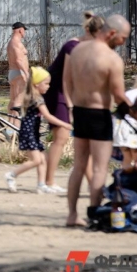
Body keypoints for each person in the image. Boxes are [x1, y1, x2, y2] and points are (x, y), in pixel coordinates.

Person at [64, 14, 131, 227]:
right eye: (123, 38)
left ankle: (72, 215)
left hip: (80, 112)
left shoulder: (77, 50)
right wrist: (134, 109)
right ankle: (93, 213)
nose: (123, 43)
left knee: (79, 166)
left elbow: (68, 82)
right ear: (111, 33)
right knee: (100, 168)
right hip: (99, 115)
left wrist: (71, 106)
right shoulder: (112, 59)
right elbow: (119, 94)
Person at [42, 11, 100, 193]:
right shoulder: (72, 47)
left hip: (73, 94)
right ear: (91, 32)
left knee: (83, 140)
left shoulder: (90, 49)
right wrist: (71, 106)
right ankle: (48, 183)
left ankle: (94, 187)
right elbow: (66, 80)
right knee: (61, 136)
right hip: (56, 91)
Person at [5, 67, 73, 194]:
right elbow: (48, 116)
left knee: (43, 159)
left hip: (32, 133)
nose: (48, 86)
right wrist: (65, 124)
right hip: (29, 133)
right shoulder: (37, 99)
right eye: (46, 83)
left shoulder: (32, 96)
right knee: (36, 160)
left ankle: (41, 185)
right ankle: (12, 175)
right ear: (37, 84)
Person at [7, 22, 29, 117]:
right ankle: (15, 126)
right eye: (24, 30)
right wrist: (26, 74)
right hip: (19, 73)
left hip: (13, 73)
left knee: (13, 100)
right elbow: (19, 60)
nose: (24, 33)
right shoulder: (16, 43)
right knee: (18, 101)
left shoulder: (11, 42)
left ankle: (10, 125)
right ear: (20, 30)